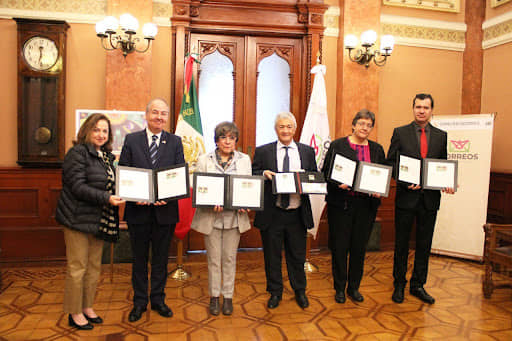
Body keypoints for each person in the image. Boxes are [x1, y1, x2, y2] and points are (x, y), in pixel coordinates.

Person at [56, 113, 124, 330]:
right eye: (96, 129)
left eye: (105, 131)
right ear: (87, 130)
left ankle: (87, 306)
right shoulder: (77, 153)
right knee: (78, 268)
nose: (101, 134)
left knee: (94, 267)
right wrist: (107, 198)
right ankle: (74, 312)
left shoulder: (105, 156)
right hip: (76, 219)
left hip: (98, 219)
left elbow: (110, 183)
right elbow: (77, 186)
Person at [119, 98, 185, 322]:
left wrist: (167, 197)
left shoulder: (175, 142)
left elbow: (178, 174)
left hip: (165, 212)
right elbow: (124, 173)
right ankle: (139, 302)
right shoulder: (132, 140)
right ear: (146, 115)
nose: (159, 117)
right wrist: (135, 196)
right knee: (138, 260)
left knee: (160, 259)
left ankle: (158, 299)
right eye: (155, 112)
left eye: (164, 113)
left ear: (167, 117)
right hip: (138, 212)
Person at [387, 93, 455, 304]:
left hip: (430, 199)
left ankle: (418, 285)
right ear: (413, 108)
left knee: (424, 244)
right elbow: (391, 163)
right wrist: (405, 181)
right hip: (406, 198)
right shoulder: (400, 132)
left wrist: (447, 181)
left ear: (432, 110)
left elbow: (442, 165)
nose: (421, 111)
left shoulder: (441, 136)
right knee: (401, 244)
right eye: (418, 107)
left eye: (426, 107)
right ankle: (399, 284)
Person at [252, 112, 317, 309]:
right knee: (272, 256)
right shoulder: (263, 151)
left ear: (295, 129)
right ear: (276, 129)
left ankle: (300, 291)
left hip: (297, 213)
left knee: (297, 256)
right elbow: (253, 173)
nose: (286, 130)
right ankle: (275, 292)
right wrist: (264, 173)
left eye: (289, 126)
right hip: (273, 213)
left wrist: (308, 179)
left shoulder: (306, 152)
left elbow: (314, 176)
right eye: (282, 126)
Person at [322, 109, 386, 304]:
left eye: (369, 125)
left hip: (366, 206)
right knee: (340, 248)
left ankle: (354, 287)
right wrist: (336, 182)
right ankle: (339, 288)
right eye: (361, 123)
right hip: (341, 204)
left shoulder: (377, 149)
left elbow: (381, 175)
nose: (364, 128)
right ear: (353, 125)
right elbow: (326, 173)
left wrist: (379, 189)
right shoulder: (338, 145)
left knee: (359, 248)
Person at [191, 122, 252, 316]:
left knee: (229, 258)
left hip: (234, 218)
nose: (228, 141)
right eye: (223, 137)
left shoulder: (244, 160)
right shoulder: (204, 160)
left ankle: (228, 297)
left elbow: (247, 187)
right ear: (216, 140)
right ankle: (214, 297)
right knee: (214, 260)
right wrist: (209, 202)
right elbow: (200, 188)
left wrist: (245, 201)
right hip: (212, 217)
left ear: (236, 141)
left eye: (232, 138)